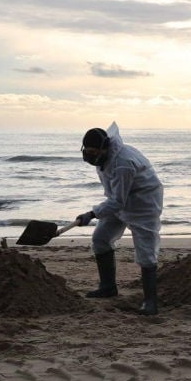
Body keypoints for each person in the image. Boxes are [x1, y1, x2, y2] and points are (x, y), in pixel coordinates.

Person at [75, 122, 164, 315]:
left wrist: (91, 214)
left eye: (93, 153)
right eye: (86, 152)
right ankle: (108, 287)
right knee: (100, 239)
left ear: (104, 149)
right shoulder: (103, 158)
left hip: (143, 203)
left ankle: (150, 302)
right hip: (118, 200)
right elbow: (115, 198)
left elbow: (117, 201)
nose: (90, 157)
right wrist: (98, 212)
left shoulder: (123, 163)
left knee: (146, 252)